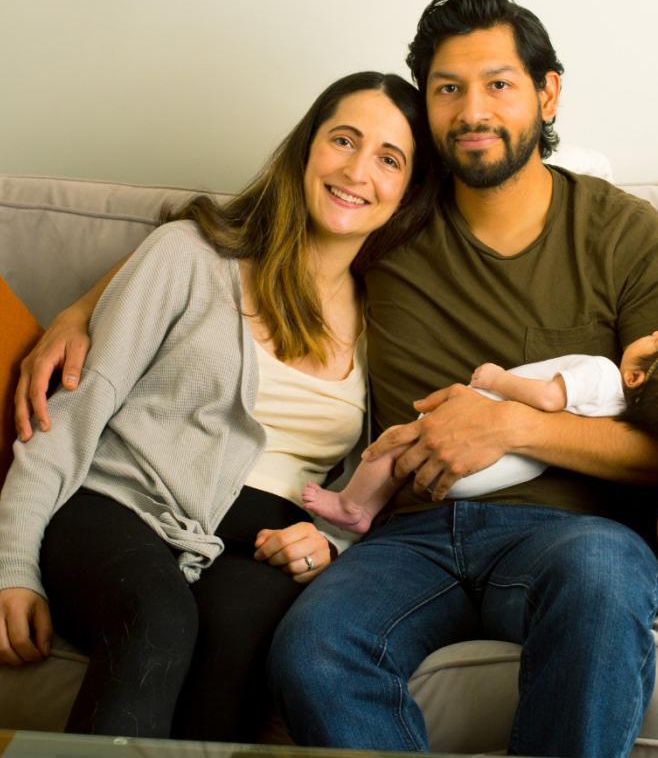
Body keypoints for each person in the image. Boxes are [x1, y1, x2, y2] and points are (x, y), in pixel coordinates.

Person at [13, 0, 658, 758]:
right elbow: (241, 232)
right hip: (406, 538)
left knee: (604, 579)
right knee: (313, 648)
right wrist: (82, 311)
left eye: (498, 84)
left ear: (548, 94)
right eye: (448, 89)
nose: (473, 111)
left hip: (569, 535)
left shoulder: (624, 234)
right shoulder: (393, 217)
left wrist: (514, 425)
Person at [0, 70, 434, 742]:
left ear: (407, 191)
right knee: (160, 616)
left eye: (389, 159)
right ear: (306, 148)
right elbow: (73, 415)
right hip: (118, 509)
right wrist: (12, 564)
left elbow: (369, 488)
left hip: (257, 552)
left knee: (241, 634)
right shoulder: (191, 255)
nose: (357, 171)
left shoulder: (388, 320)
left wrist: (330, 542)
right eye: (343, 140)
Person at [302, 327, 658, 532]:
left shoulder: (601, 373)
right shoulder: (619, 416)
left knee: (394, 443)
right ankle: (365, 511)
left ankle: (352, 505)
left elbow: (548, 398)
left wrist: (498, 380)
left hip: (470, 448)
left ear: (635, 378)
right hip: (501, 471)